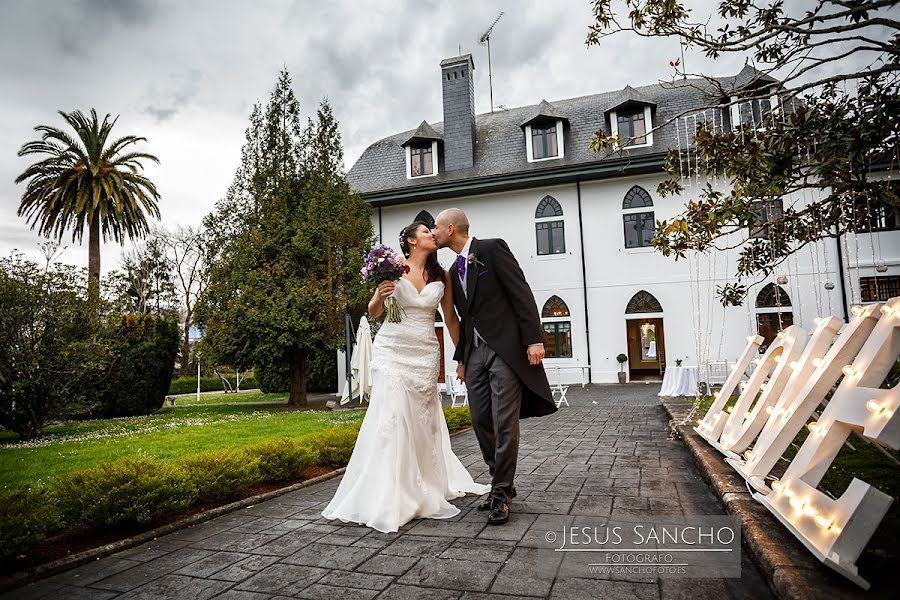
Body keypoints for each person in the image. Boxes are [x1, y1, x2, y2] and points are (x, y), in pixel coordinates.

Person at [321, 221, 490, 533]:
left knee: (421, 424)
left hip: (425, 353)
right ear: (411, 241)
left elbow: (451, 319)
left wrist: (462, 356)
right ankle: (391, 492)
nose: (431, 235)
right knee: (394, 417)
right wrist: (379, 295)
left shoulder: (442, 276)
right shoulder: (392, 269)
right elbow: (374, 312)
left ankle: (422, 484)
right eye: (426, 232)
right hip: (391, 350)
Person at [432, 208, 556, 525]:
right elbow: (463, 318)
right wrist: (461, 359)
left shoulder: (491, 248)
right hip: (474, 355)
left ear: (450, 228)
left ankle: (500, 493)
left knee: (504, 422)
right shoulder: (451, 270)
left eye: (436, 227)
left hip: (505, 350)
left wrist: (534, 339)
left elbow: (520, 291)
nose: (433, 232)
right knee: (480, 418)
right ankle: (503, 481)